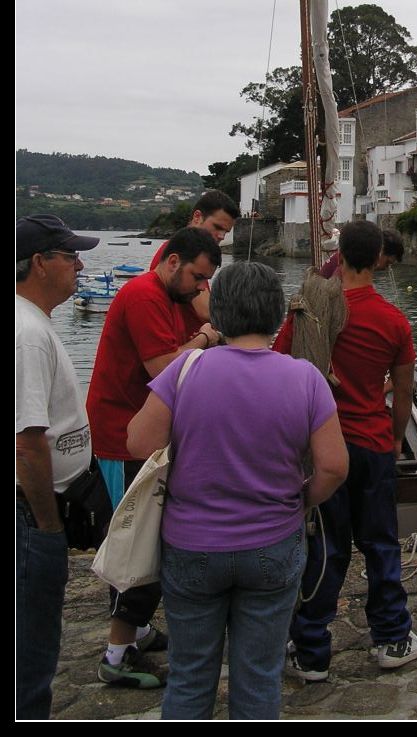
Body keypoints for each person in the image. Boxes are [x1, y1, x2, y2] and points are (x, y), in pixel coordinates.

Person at [127, 261, 348, 719]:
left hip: (192, 545)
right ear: (277, 317)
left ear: (219, 315)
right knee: (260, 676)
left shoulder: (185, 370)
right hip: (272, 542)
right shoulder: (305, 377)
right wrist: (303, 499)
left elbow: (139, 442)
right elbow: (333, 467)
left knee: (189, 675)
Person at [274, 220, 417, 680]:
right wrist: (396, 438)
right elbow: (403, 394)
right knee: (380, 543)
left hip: (324, 446)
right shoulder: (394, 321)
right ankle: (392, 636)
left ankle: (312, 648)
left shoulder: (309, 311)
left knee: (326, 547)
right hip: (374, 443)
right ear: (380, 257)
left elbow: (280, 367)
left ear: (339, 254)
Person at [86, 227, 223, 689]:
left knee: (147, 536)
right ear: (171, 261)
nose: (199, 288)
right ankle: (117, 652)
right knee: (138, 538)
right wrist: (204, 338)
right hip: (122, 436)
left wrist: (202, 316)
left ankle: (137, 630)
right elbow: (164, 370)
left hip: (145, 431)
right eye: (196, 278)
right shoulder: (144, 296)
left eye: (206, 282)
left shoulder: (176, 297)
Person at [16, 214, 100, 719]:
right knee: (31, 642)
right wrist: (48, 526)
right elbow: (26, 444)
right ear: (38, 264)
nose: (80, 264)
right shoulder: (27, 333)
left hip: (37, 513)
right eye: (69, 255)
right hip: (31, 517)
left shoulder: (33, 323)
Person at [149, 189, 239, 332]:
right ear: (197, 217)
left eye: (226, 232)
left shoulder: (194, 253)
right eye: (217, 227)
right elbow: (206, 311)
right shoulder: (180, 251)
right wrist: (250, 320)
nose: (221, 236)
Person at [318, 226, 404, 280]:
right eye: (387, 263)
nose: (386, 268)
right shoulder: (353, 260)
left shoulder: (356, 255)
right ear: (380, 251)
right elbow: (333, 288)